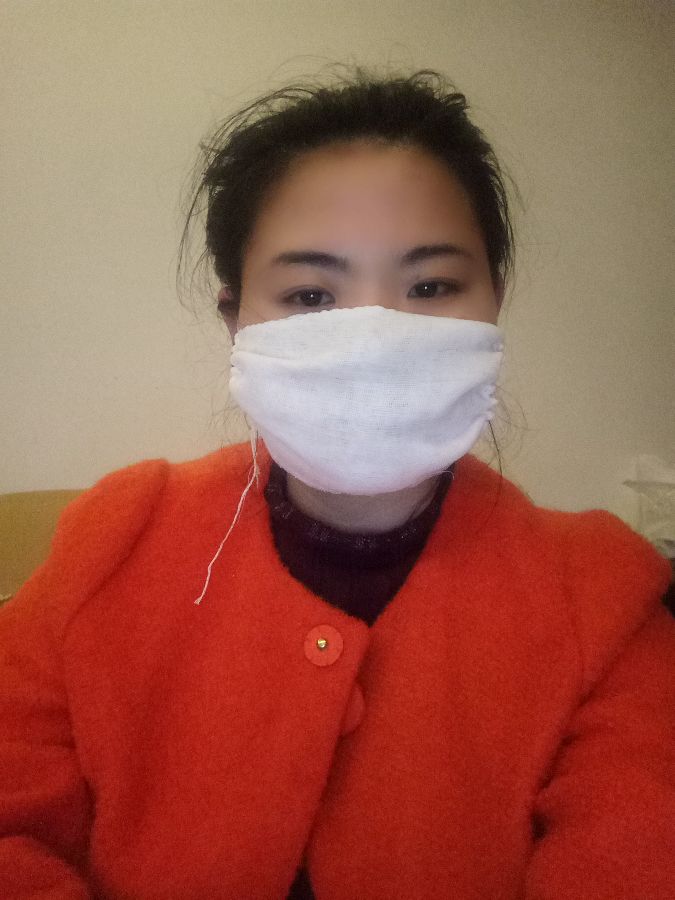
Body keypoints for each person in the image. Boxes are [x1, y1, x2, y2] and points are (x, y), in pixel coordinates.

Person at [1, 67, 673, 900]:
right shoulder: (113, 542)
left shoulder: (602, 597)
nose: (372, 336)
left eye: (430, 287)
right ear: (235, 321)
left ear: (492, 305)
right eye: (311, 295)